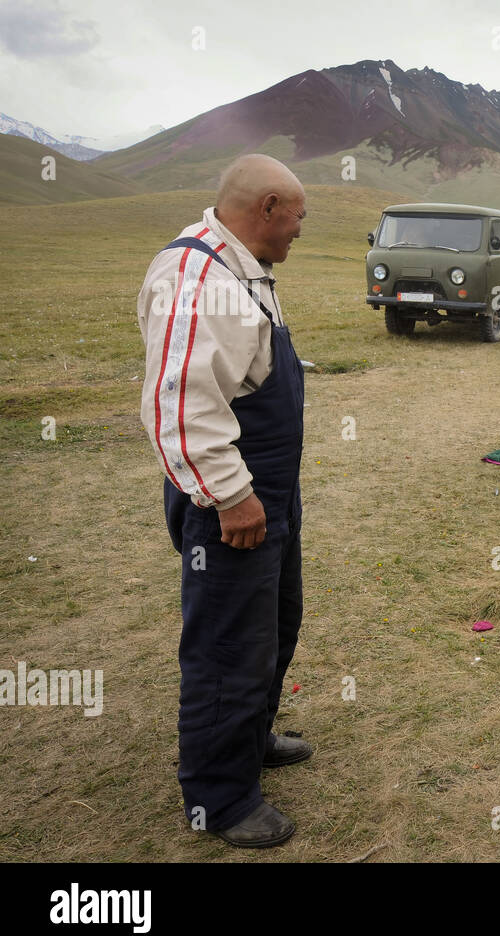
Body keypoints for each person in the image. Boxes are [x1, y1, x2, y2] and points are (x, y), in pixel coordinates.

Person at [137, 154, 311, 848]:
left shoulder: (245, 270)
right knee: (227, 644)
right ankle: (221, 797)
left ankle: (250, 738)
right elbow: (179, 404)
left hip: (267, 487)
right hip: (231, 498)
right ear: (267, 206)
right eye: (297, 219)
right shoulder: (196, 277)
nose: (300, 231)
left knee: (274, 621)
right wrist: (233, 497)